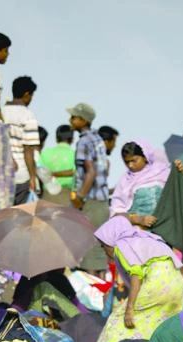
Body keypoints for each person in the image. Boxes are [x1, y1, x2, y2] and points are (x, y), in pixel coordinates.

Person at [94, 215, 183, 342]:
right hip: (177, 286)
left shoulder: (122, 246)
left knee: (117, 321)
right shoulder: (144, 238)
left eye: (104, 245)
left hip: (156, 286)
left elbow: (136, 276)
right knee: (156, 322)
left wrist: (130, 309)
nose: (104, 250)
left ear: (111, 239)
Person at [68, 102, 110, 272]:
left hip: (90, 201)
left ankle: (89, 296)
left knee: (88, 253)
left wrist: (79, 198)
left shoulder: (84, 141)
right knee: (97, 251)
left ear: (83, 120)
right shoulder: (98, 139)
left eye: (74, 117)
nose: (70, 120)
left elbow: (90, 172)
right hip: (102, 200)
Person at [110, 139, 170, 225]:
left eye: (134, 160)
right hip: (138, 229)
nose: (130, 165)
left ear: (145, 157)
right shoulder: (125, 181)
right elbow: (116, 212)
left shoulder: (163, 172)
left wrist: (180, 170)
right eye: (127, 162)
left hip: (167, 225)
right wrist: (139, 220)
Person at [0, 76, 39, 204]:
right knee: (20, 219)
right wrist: (33, 177)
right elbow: (28, 150)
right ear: (27, 94)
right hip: (21, 176)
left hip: (1, 175)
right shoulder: (28, 116)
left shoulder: (0, 113)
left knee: (3, 219)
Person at [39, 124, 75, 202]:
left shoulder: (45, 153)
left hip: (47, 194)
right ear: (72, 139)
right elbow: (76, 172)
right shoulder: (75, 154)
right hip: (66, 195)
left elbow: (39, 171)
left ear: (56, 139)